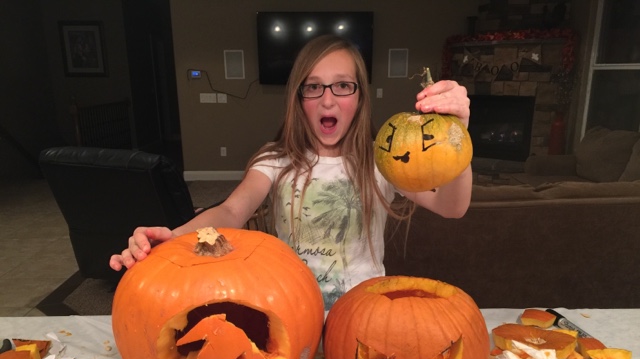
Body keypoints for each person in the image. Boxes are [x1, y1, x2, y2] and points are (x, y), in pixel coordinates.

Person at [110, 34, 472, 311]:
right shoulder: (275, 160)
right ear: (299, 99)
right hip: (293, 310)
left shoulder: (383, 159)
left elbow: (452, 207)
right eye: (313, 87)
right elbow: (232, 211)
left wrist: (458, 134)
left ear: (360, 97)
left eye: (342, 85)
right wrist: (174, 237)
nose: (327, 99)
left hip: (364, 312)